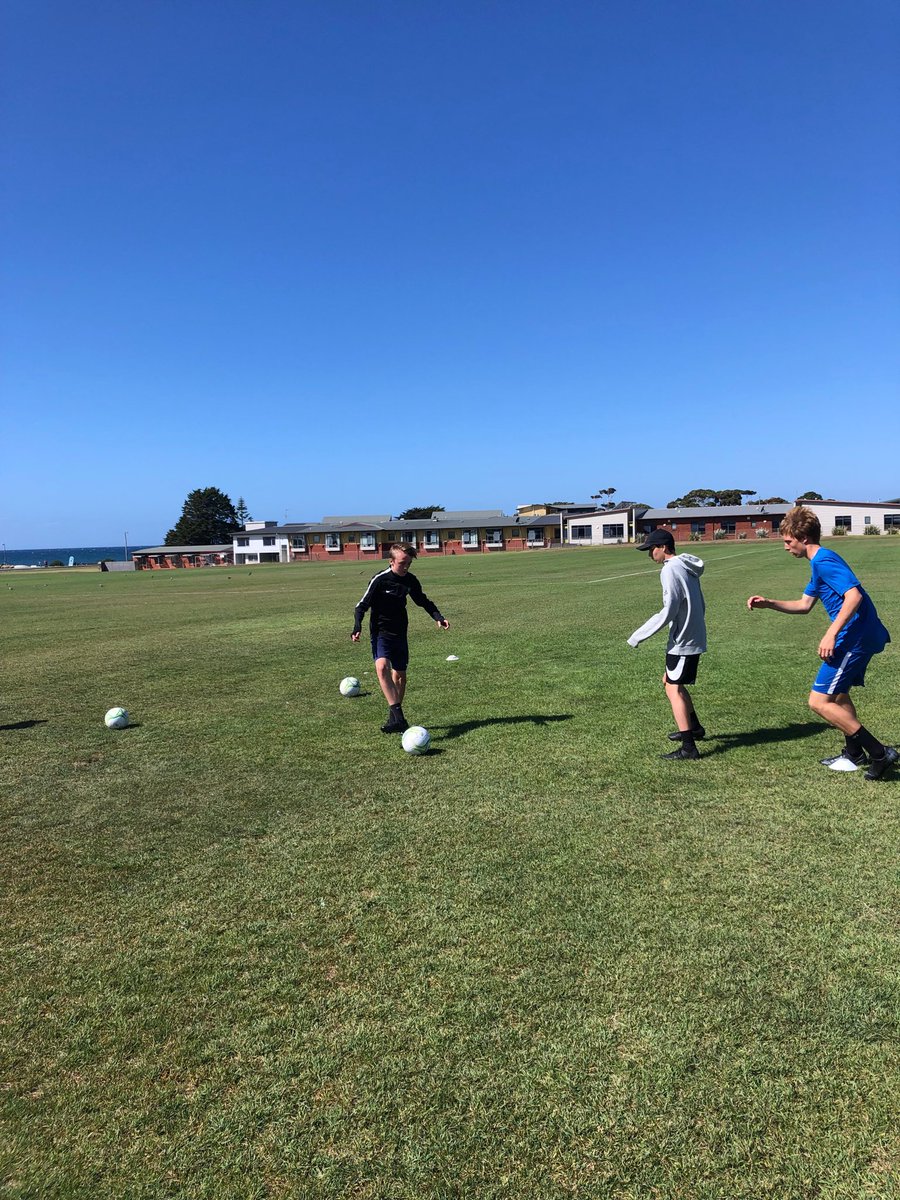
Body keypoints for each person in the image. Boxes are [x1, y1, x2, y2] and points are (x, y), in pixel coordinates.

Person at [747, 505, 896, 779]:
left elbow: (854, 596)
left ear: (803, 538)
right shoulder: (818, 563)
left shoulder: (823, 561)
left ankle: (879, 753)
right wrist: (769, 603)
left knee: (818, 702)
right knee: (838, 695)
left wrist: (831, 633)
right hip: (861, 634)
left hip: (855, 638)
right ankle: (853, 753)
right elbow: (804, 605)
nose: (785, 547)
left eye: (788, 541)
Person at [351, 543, 450, 733]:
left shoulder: (410, 580)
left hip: (400, 632)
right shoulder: (380, 580)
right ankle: (400, 717)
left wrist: (438, 617)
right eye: (402, 563)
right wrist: (357, 626)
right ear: (391, 561)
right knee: (381, 667)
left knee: (400, 676)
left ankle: (394, 720)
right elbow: (361, 605)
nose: (405, 568)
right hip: (381, 632)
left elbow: (422, 601)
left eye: (409, 564)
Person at [627, 529, 707, 760]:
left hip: (684, 640)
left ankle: (689, 747)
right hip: (692, 635)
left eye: (651, 549)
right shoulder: (685, 566)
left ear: (663, 547)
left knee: (673, 688)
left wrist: (638, 635)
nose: (649, 554)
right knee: (670, 682)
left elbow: (668, 610)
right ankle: (695, 728)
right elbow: (700, 603)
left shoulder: (670, 569)